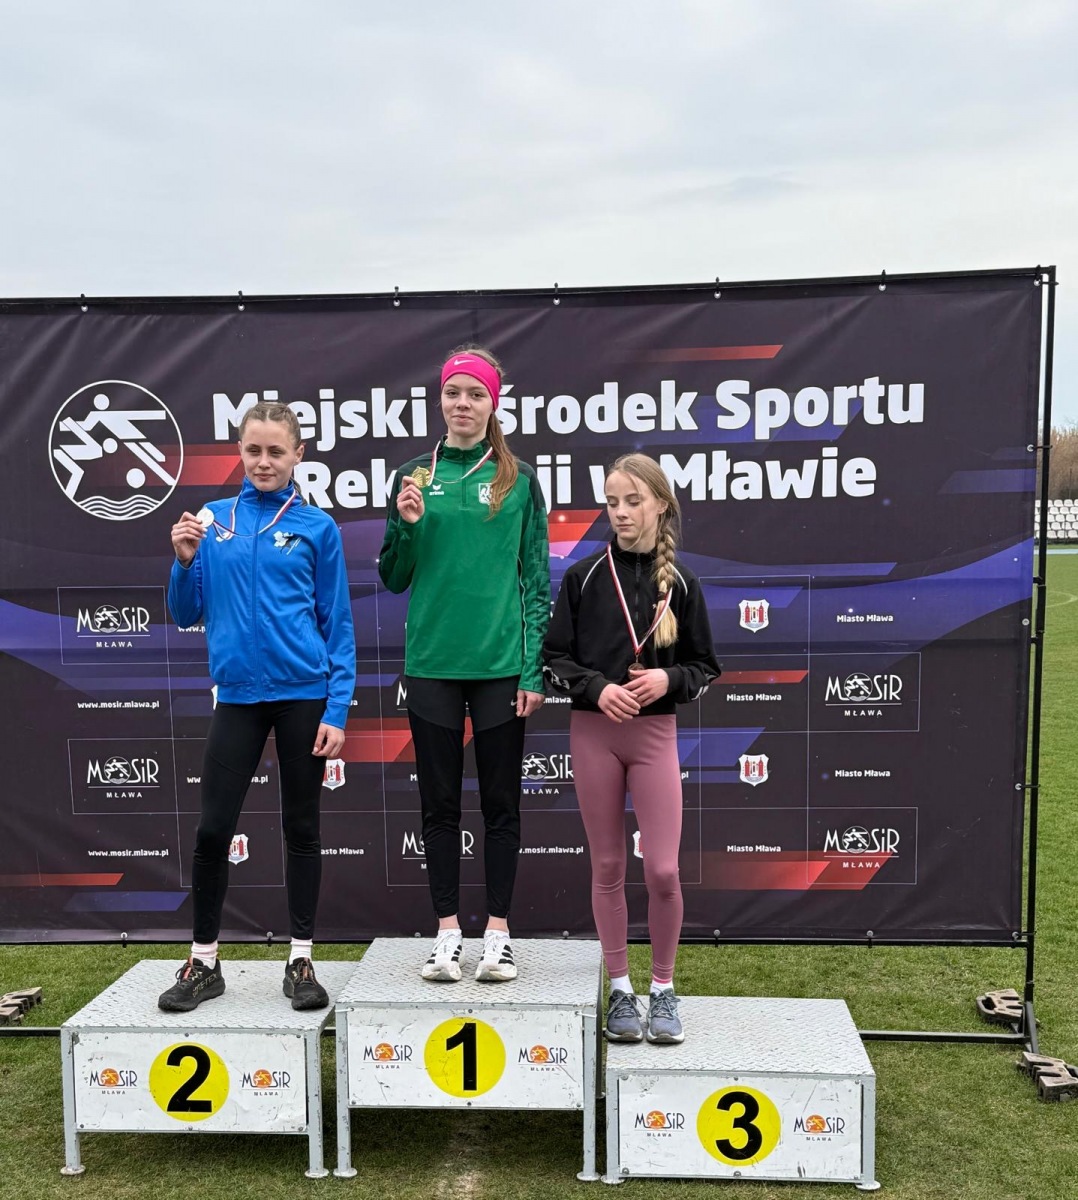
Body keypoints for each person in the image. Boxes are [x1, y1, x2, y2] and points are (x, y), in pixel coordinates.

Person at [158, 402, 356, 1013]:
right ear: (239, 452)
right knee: (212, 830)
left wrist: (337, 710)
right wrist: (183, 562)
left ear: (298, 455)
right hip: (238, 699)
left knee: (302, 828)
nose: (264, 462)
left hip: (304, 697)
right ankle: (204, 962)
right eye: (253, 450)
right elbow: (185, 613)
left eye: (276, 451)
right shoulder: (211, 520)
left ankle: (301, 960)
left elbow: (338, 624)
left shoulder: (318, 527)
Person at [379, 346, 550, 983]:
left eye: (476, 394)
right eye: (454, 392)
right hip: (432, 665)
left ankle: (498, 935)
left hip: (501, 666)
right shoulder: (412, 475)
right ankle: (447, 933)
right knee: (439, 806)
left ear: (492, 404)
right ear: (440, 400)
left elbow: (536, 580)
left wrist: (533, 670)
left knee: (501, 806)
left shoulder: (519, 478)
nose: (463, 404)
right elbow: (394, 577)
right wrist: (406, 525)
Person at [542, 453, 720, 1043]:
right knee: (609, 865)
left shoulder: (683, 584)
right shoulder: (584, 577)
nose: (619, 512)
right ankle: (620, 989)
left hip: (654, 736)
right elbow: (554, 659)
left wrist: (668, 679)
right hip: (595, 734)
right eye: (612, 502)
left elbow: (705, 667)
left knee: (663, 869)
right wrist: (597, 688)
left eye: (632, 501)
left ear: (660, 505)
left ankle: (663, 989)